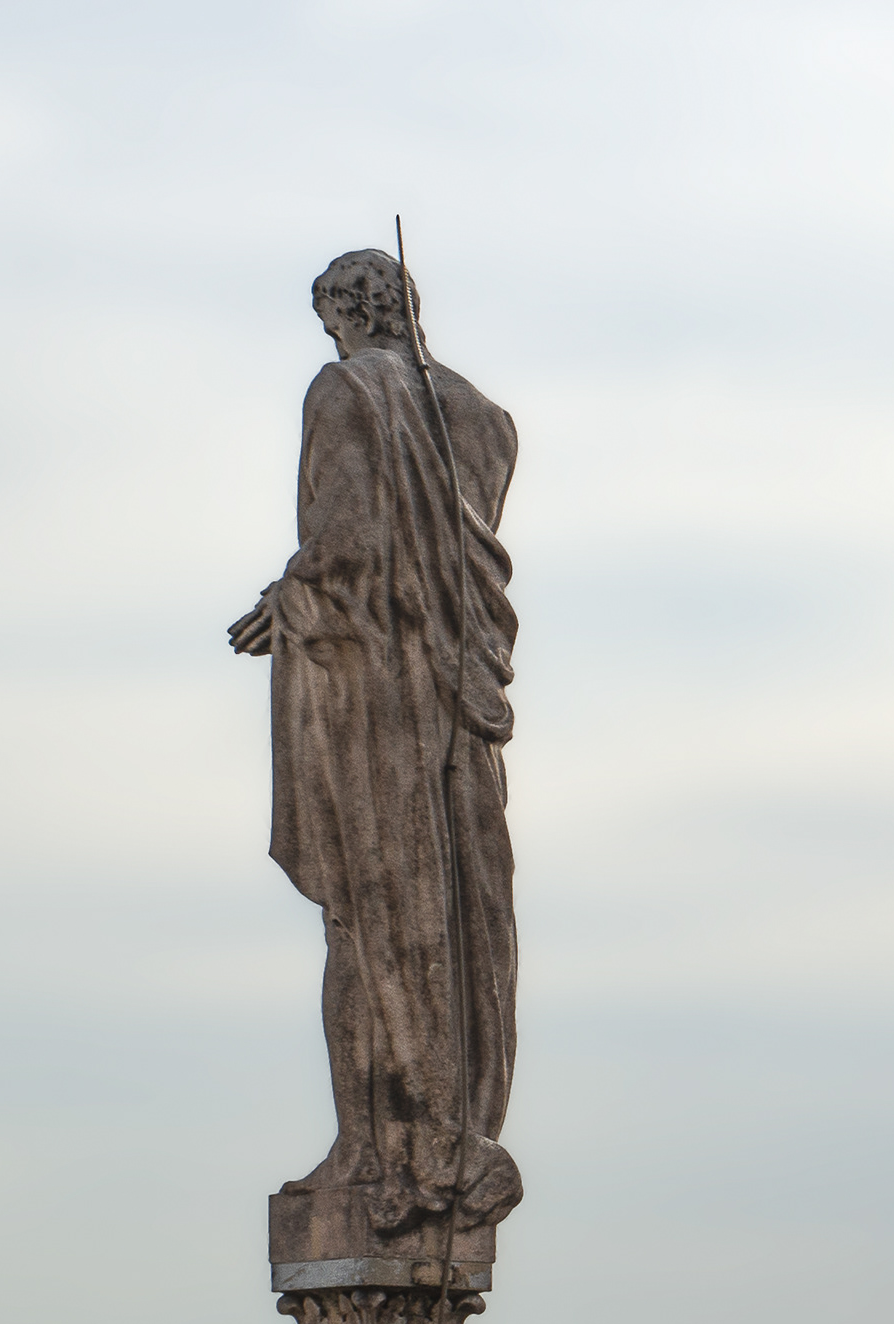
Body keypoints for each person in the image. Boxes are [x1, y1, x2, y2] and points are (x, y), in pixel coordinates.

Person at [232, 249, 523, 1234]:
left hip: (381, 705)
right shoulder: (485, 419)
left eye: (333, 323)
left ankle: (400, 1149)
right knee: (455, 916)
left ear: (352, 313)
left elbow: (353, 543)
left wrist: (289, 597)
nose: (334, 341)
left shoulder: (347, 392)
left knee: (381, 920)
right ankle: (446, 1130)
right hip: (460, 713)